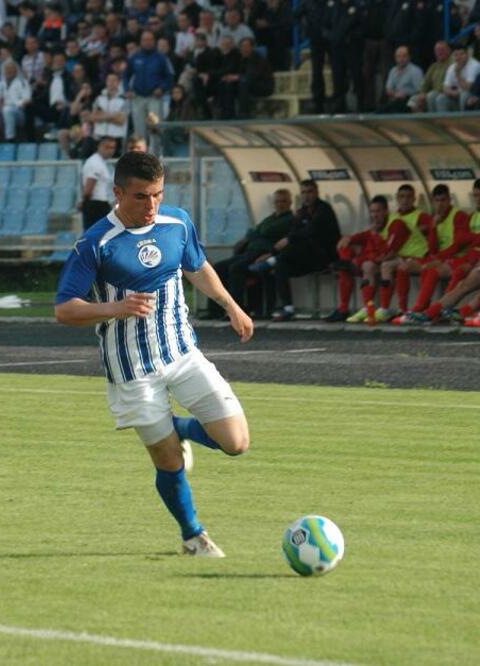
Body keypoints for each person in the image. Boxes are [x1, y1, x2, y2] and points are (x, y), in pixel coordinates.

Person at [55, 150, 253, 558]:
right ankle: (193, 536)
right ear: (118, 193)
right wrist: (116, 307)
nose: (152, 205)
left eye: (158, 194)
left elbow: (197, 266)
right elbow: (65, 309)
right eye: (141, 196)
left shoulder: (176, 223)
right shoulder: (95, 243)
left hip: (182, 353)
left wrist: (231, 305)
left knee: (237, 442)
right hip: (132, 369)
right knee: (168, 460)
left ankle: (177, 427)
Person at [251, 179, 340, 321]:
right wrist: (273, 251)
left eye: (309, 192)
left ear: (317, 192)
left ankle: (272, 261)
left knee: (301, 243)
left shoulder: (324, 210)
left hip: (323, 257)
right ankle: (288, 309)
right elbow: (293, 232)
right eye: (303, 192)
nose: (306, 196)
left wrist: (289, 239)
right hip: (303, 257)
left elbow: (311, 230)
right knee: (281, 266)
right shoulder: (302, 212)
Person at [208, 188, 293, 319]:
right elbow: (254, 231)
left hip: (263, 254)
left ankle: (237, 311)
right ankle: (214, 311)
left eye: (283, 201)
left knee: (236, 269)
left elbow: (264, 231)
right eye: (277, 201)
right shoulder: (270, 218)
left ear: (290, 203)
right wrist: (254, 234)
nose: (280, 204)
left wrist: (255, 234)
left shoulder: (290, 219)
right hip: (249, 252)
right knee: (218, 268)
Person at [395, 184, 474, 324]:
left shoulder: (459, 216)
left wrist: (438, 258)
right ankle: (410, 309)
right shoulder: (435, 219)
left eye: (443, 200)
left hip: (459, 257)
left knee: (434, 270)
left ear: (449, 200)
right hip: (443, 257)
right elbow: (433, 248)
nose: (440, 204)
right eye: (437, 201)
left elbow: (458, 245)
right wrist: (433, 227)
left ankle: (436, 311)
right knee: (407, 267)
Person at [374, 183, 434, 322]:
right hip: (402, 256)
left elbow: (431, 235)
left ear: (414, 199)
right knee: (384, 265)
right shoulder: (391, 217)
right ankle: (384, 308)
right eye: (401, 197)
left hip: (420, 256)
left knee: (401, 266)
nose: (405, 200)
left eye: (408, 197)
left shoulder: (421, 216)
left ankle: (403, 309)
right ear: (397, 198)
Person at [326, 195, 389, 323]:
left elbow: (385, 252)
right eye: (372, 212)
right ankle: (345, 308)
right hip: (366, 261)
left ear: (386, 211)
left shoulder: (391, 226)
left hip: (379, 262)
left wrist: (374, 236)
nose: (375, 215)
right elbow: (363, 236)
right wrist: (349, 238)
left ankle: (363, 308)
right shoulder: (374, 228)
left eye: (378, 211)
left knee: (366, 265)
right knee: (345, 250)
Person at [80, 136, 116, 231]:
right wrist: (85, 202)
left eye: (112, 148)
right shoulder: (94, 162)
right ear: (99, 146)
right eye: (107, 147)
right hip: (95, 205)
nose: (110, 150)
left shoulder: (102, 162)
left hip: (101, 204)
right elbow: (90, 185)